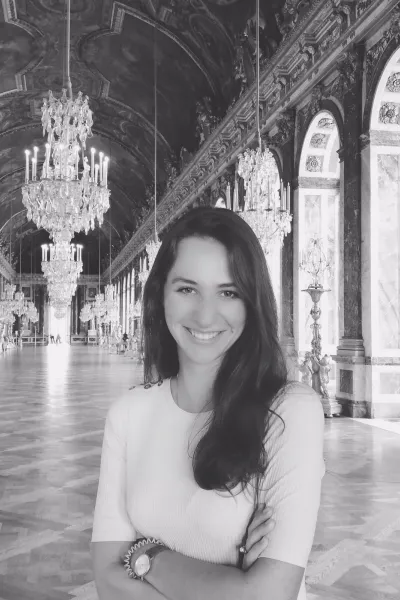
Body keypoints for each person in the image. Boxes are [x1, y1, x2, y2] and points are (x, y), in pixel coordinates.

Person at [91, 207, 325, 600]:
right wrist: (233, 577)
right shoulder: (128, 413)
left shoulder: (288, 412)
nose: (205, 315)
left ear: (251, 303)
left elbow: (267, 595)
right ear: (160, 295)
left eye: (229, 292)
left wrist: (146, 555)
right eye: (187, 289)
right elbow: (106, 580)